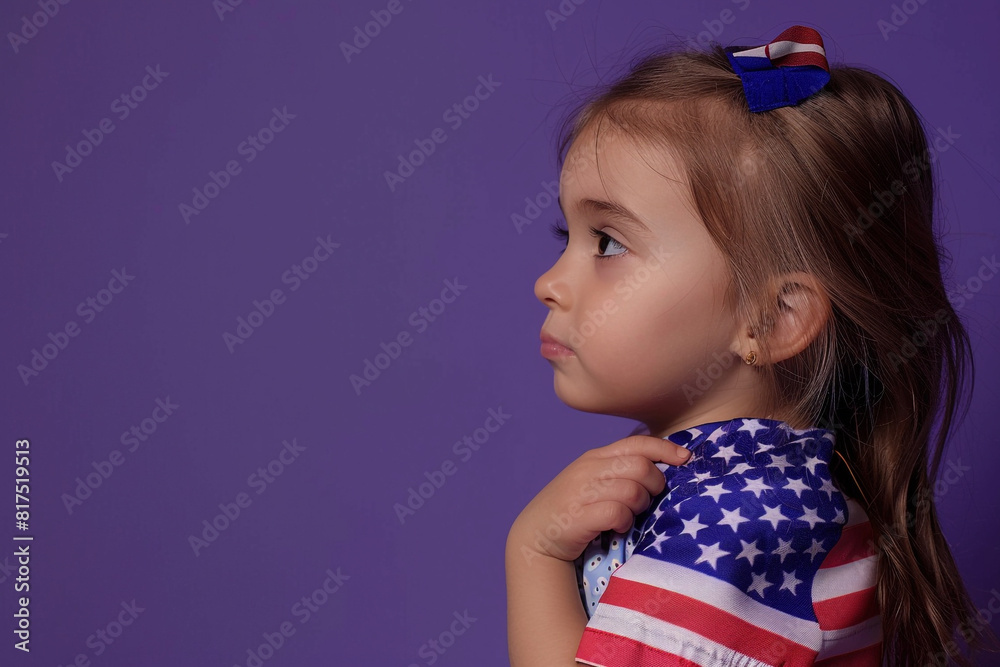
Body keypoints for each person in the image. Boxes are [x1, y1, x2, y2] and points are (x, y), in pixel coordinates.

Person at [505, 24, 998, 667]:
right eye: (565, 235)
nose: (547, 284)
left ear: (773, 318)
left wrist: (534, 556)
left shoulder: (747, 519)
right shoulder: (720, 489)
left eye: (609, 243)